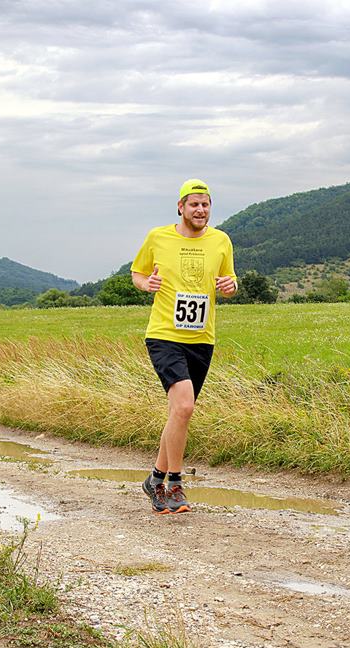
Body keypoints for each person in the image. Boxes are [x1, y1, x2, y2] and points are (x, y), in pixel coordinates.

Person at [131, 179, 237, 514]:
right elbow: (137, 273)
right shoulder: (158, 237)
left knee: (179, 412)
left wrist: (230, 286)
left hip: (202, 338)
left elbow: (230, 280)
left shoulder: (221, 240)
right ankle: (175, 483)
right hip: (164, 334)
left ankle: (154, 479)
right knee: (185, 407)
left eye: (205, 204)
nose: (200, 210)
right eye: (194, 204)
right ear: (180, 207)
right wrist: (146, 284)